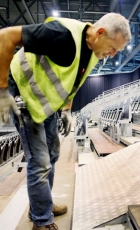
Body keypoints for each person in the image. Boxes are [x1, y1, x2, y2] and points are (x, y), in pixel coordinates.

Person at [0, 13, 131, 230]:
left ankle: (43, 205)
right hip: (23, 94)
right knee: (40, 160)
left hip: (45, 102)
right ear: (99, 33)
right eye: (113, 47)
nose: (113, 54)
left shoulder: (93, 52)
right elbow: (5, 36)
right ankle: (41, 220)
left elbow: (75, 79)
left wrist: (67, 110)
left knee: (53, 154)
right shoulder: (62, 35)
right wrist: (3, 89)